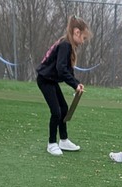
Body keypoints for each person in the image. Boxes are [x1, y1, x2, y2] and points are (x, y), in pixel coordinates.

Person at [36, 16, 89, 156]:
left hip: (51, 80)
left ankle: (63, 140)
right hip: (45, 80)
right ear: (76, 32)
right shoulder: (65, 45)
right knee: (56, 112)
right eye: (83, 38)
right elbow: (61, 69)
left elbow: (67, 70)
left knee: (64, 108)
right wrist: (74, 84)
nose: (83, 42)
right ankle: (51, 143)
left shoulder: (67, 45)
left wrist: (76, 83)